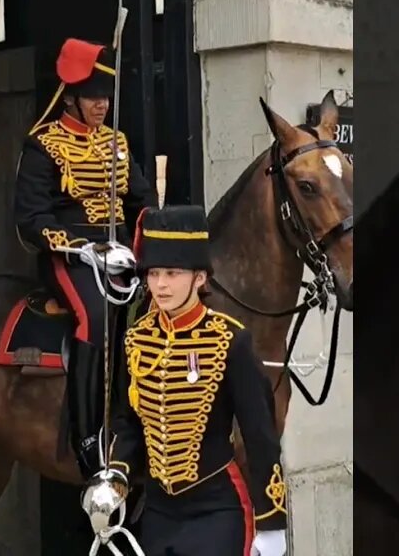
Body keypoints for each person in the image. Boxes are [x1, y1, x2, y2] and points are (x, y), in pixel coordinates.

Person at [104, 205, 289, 556]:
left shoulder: (230, 340)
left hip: (216, 509)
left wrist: (271, 522)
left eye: (173, 273)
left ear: (200, 278)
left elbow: (260, 437)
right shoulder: (136, 339)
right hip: (158, 513)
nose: (160, 284)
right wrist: (117, 475)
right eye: (154, 272)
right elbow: (128, 422)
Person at [12, 37, 158, 480]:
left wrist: (147, 238)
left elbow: (142, 195)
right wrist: (83, 247)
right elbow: (30, 218)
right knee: (95, 317)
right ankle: (89, 433)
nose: (102, 105)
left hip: (120, 252)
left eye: (106, 96)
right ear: (71, 97)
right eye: (94, 97)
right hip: (69, 254)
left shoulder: (116, 141)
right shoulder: (43, 144)